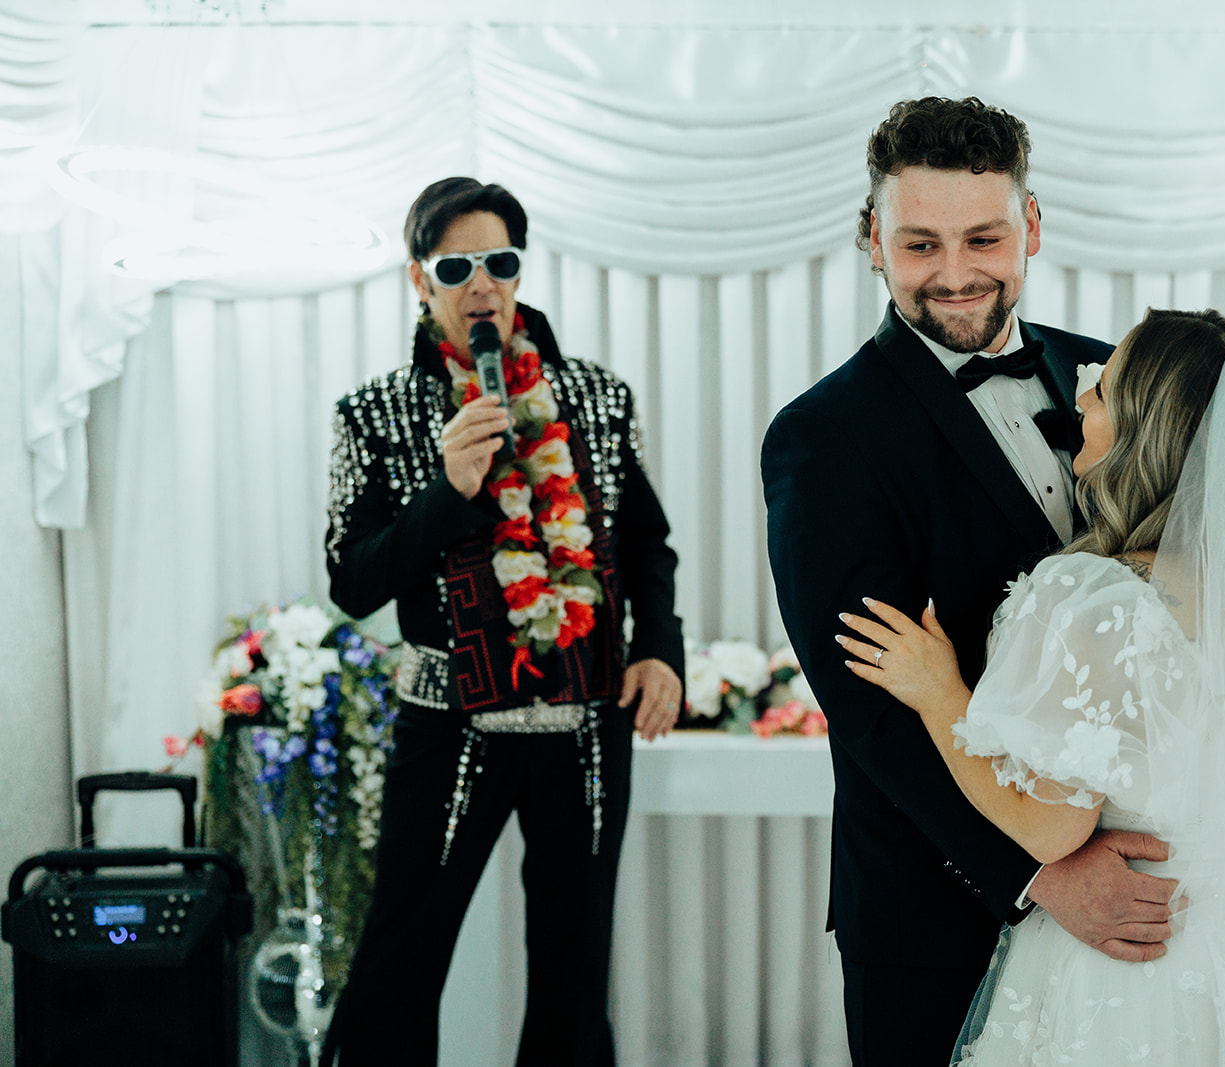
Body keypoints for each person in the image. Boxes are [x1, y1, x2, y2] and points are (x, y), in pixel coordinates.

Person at [839, 309, 1225, 1065]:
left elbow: (1050, 831)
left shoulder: (1099, 602)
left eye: (1103, 390)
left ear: (1150, 430)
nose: (1077, 397)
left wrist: (940, 691)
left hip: (1139, 967)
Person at [762, 97, 1181, 1064]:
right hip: (933, 913)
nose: (954, 274)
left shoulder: (1111, 378)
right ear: (872, 240)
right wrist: (1042, 876)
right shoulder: (823, 440)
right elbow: (868, 710)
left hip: (1137, 898)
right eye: (919, 244)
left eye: (984, 237)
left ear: (1032, 225)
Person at [320, 177, 684, 1066]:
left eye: (500, 262)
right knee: (399, 964)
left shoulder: (599, 396)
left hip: (588, 718)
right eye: (456, 266)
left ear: (519, 273)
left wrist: (659, 651)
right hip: (447, 723)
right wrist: (446, 493)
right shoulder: (372, 415)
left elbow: (647, 546)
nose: (480, 284)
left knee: (572, 970)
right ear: (420, 280)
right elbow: (352, 579)